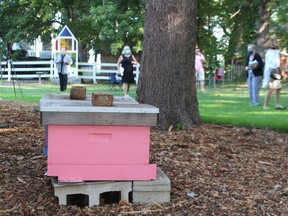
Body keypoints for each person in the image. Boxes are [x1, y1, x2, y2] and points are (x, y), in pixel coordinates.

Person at [262, 38, 285, 110]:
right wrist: (281, 70)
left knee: (278, 88)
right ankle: (265, 105)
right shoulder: (274, 52)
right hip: (273, 71)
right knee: (271, 88)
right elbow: (276, 63)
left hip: (271, 71)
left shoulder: (268, 52)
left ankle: (277, 104)